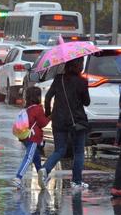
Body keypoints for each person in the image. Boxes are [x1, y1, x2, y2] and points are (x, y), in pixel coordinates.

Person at [38, 58, 91, 189]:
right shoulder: (82, 81)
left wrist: (48, 112)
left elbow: (49, 96)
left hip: (58, 120)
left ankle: (45, 169)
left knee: (60, 150)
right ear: (79, 66)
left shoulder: (58, 79)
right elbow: (87, 102)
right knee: (78, 152)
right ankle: (76, 182)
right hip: (77, 121)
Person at [13, 87, 50, 189]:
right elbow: (43, 123)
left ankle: (43, 178)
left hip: (25, 136)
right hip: (33, 137)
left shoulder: (27, 109)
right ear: (38, 97)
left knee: (36, 158)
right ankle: (18, 177)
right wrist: (50, 116)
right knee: (29, 157)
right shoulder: (38, 109)